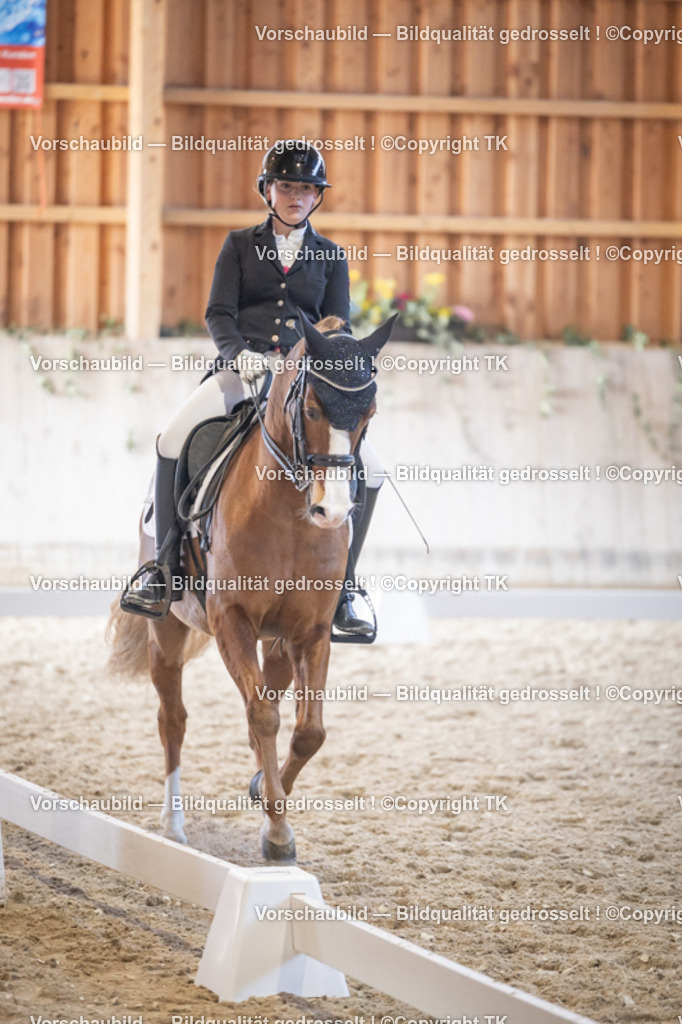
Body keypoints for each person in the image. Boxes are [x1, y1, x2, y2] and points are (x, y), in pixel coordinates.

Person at [122, 140, 384, 634]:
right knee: (171, 439)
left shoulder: (330, 255)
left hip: (303, 381)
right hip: (240, 371)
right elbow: (217, 312)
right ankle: (162, 567)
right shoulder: (239, 245)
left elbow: (337, 324)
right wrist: (239, 354)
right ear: (268, 190)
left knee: (372, 469)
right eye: (287, 186)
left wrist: (311, 365)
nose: (297, 196)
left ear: (316, 198)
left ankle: (346, 588)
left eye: (307, 189)